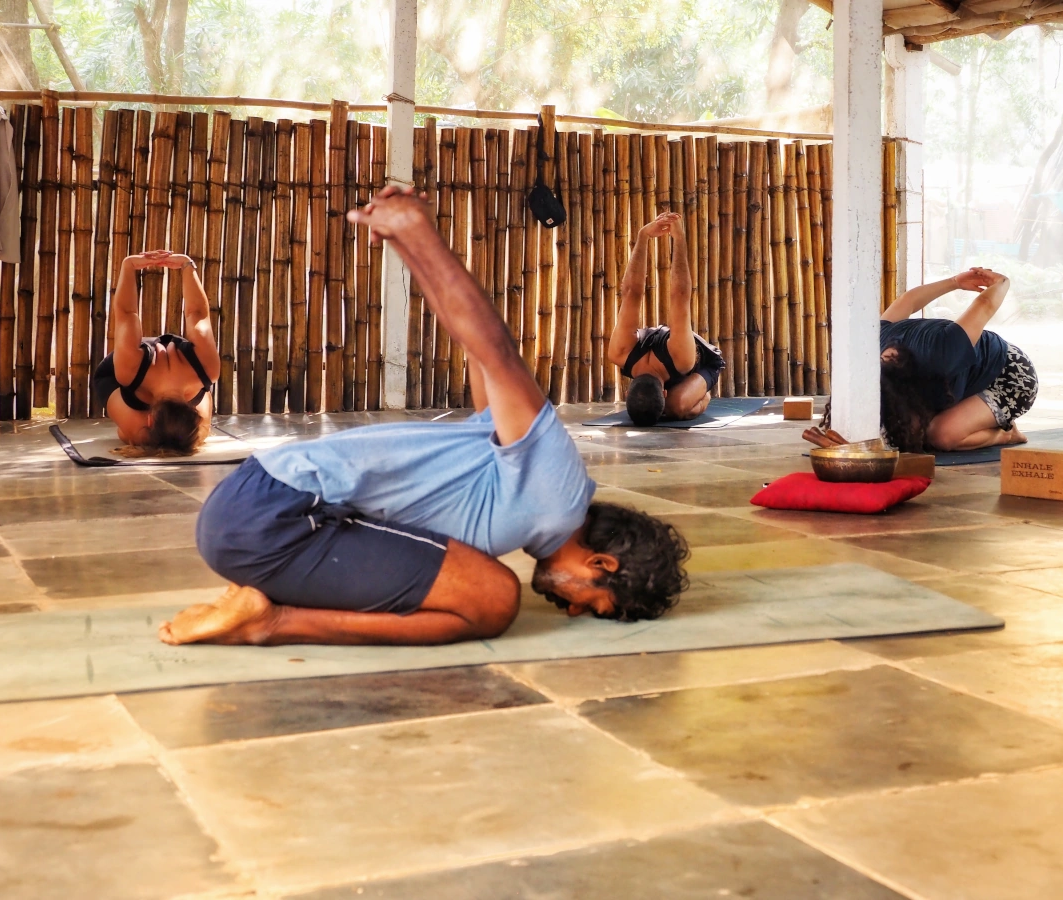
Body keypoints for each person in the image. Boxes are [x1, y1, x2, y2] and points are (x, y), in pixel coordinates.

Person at [158, 186, 690, 649]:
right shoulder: (557, 490)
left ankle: (264, 612)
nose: (572, 610)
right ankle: (269, 624)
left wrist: (408, 246)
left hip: (255, 508)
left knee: (482, 580)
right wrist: (422, 234)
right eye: (591, 604)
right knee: (492, 597)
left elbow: (476, 350)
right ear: (602, 566)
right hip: (273, 516)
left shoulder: (526, 495)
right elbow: (499, 353)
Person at [804, 267, 1037, 453]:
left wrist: (1001, 283)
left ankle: (1006, 433)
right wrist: (954, 282)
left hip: (1011, 376)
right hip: (967, 373)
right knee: (907, 434)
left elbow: (985, 305)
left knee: (939, 435)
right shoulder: (875, 342)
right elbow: (909, 301)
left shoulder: (944, 352)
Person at [92, 250, 219, 456]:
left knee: (136, 436)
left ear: (148, 419)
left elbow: (126, 315)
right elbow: (197, 315)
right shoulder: (205, 370)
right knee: (196, 436)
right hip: (115, 374)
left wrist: (129, 265)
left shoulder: (130, 370)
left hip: (137, 376)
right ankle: (174, 432)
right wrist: (187, 266)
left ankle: (154, 436)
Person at [608, 212, 725, 425]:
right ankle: (701, 396)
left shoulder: (622, 351)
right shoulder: (679, 360)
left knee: (673, 405)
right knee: (677, 407)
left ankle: (701, 390)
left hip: (702, 362)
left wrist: (644, 236)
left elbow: (634, 293)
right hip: (679, 362)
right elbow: (674, 295)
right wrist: (677, 238)